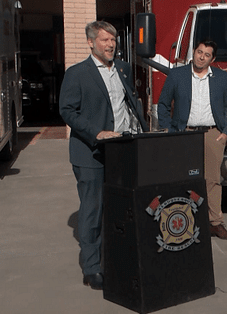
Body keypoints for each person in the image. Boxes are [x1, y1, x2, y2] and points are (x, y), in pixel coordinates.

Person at [59, 21, 148, 290]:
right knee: (93, 210)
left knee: (120, 208)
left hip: (122, 150)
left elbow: (127, 104)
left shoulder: (122, 68)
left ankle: (117, 258)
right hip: (91, 154)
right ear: (90, 42)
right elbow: (67, 111)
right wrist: (97, 132)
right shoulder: (77, 73)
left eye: (114, 39)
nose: (111, 44)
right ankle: (92, 267)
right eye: (105, 40)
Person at [157, 40, 227, 240]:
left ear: (213, 59)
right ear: (194, 52)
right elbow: (163, 104)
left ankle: (215, 224)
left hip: (212, 134)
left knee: (212, 181)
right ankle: (184, 223)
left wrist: (226, 132)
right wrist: (170, 129)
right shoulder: (177, 75)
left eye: (207, 54)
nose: (202, 56)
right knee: (184, 179)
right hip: (185, 133)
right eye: (199, 52)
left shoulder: (221, 77)